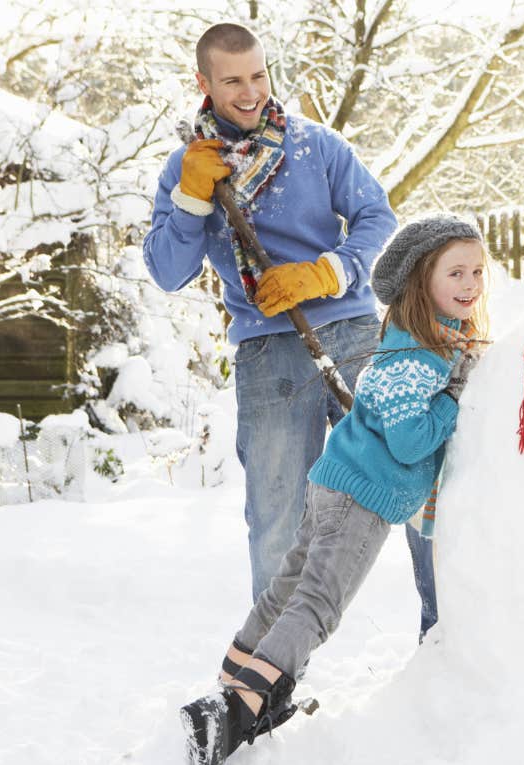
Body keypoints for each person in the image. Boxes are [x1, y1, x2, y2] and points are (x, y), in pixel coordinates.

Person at [143, 23, 440, 636]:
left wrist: (325, 273)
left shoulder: (315, 146)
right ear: (203, 83)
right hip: (265, 359)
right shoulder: (188, 168)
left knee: (416, 477)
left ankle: (445, 632)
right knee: (277, 518)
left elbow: (377, 217)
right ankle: (268, 677)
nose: (250, 92)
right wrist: (193, 201)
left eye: (258, 75)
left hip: (354, 335)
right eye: (232, 81)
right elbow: (167, 271)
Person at [179, 215, 489, 765]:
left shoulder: (420, 342)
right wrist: (453, 395)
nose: (471, 284)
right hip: (360, 500)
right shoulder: (413, 359)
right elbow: (411, 440)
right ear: (422, 280)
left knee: (288, 589)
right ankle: (232, 714)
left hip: (339, 485)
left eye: (478, 272)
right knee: (317, 604)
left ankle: (232, 681)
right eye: (456, 272)